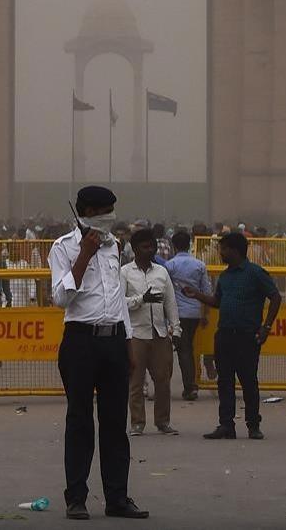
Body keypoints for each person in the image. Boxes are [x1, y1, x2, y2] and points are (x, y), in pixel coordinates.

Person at [49, 186, 149, 520]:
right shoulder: (63, 247)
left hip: (113, 340)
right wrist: (83, 257)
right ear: (86, 212)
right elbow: (62, 299)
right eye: (104, 211)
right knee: (79, 421)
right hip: (80, 340)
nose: (110, 217)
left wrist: (128, 342)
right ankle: (76, 498)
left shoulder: (113, 247)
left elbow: (117, 297)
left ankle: (117, 498)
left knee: (114, 424)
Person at [184, 232, 282, 440]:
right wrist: (197, 295)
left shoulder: (255, 273)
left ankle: (253, 425)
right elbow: (217, 302)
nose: (221, 253)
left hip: (247, 336)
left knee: (248, 381)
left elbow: (275, 297)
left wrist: (266, 327)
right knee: (225, 382)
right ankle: (226, 425)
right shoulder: (225, 276)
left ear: (235, 250)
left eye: (224, 249)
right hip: (225, 335)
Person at [121, 229, 181, 437]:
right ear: (135, 249)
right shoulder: (125, 272)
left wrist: (176, 328)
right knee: (135, 382)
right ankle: (137, 423)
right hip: (136, 334)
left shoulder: (161, 272)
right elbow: (120, 303)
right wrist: (141, 300)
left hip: (160, 334)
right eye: (145, 247)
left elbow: (170, 302)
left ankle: (163, 422)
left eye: (152, 246)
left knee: (163, 381)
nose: (150, 250)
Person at [165, 230, 210, 401]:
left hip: (177, 314)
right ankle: (191, 385)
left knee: (183, 350)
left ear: (174, 246)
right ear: (190, 244)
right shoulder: (199, 265)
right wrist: (204, 314)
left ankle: (190, 387)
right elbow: (206, 291)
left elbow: (165, 291)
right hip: (194, 313)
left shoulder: (170, 266)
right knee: (188, 348)